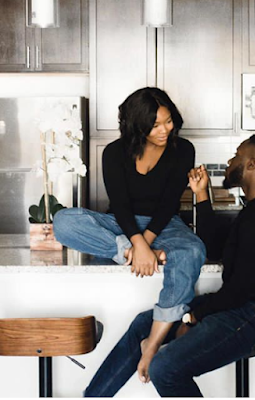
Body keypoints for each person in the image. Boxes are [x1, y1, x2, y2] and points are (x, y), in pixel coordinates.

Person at [83, 133, 255, 397]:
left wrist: (192, 318)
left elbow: (240, 290)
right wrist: (201, 194)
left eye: (237, 155)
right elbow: (215, 248)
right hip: (244, 303)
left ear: (252, 164)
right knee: (145, 324)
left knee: (165, 368)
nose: (230, 161)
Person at [53, 87, 206, 380]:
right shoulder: (114, 152)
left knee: (193, 251)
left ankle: (152, 343)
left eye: (168, 121)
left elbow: (168, 204)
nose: (164, 130)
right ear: (137, 124)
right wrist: (137, 247)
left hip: (166, 225)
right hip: (120, 224)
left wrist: (144, 245)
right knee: (64, 222)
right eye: (155, 125)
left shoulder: (183, 149)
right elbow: (120, 205)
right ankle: (127, 251)